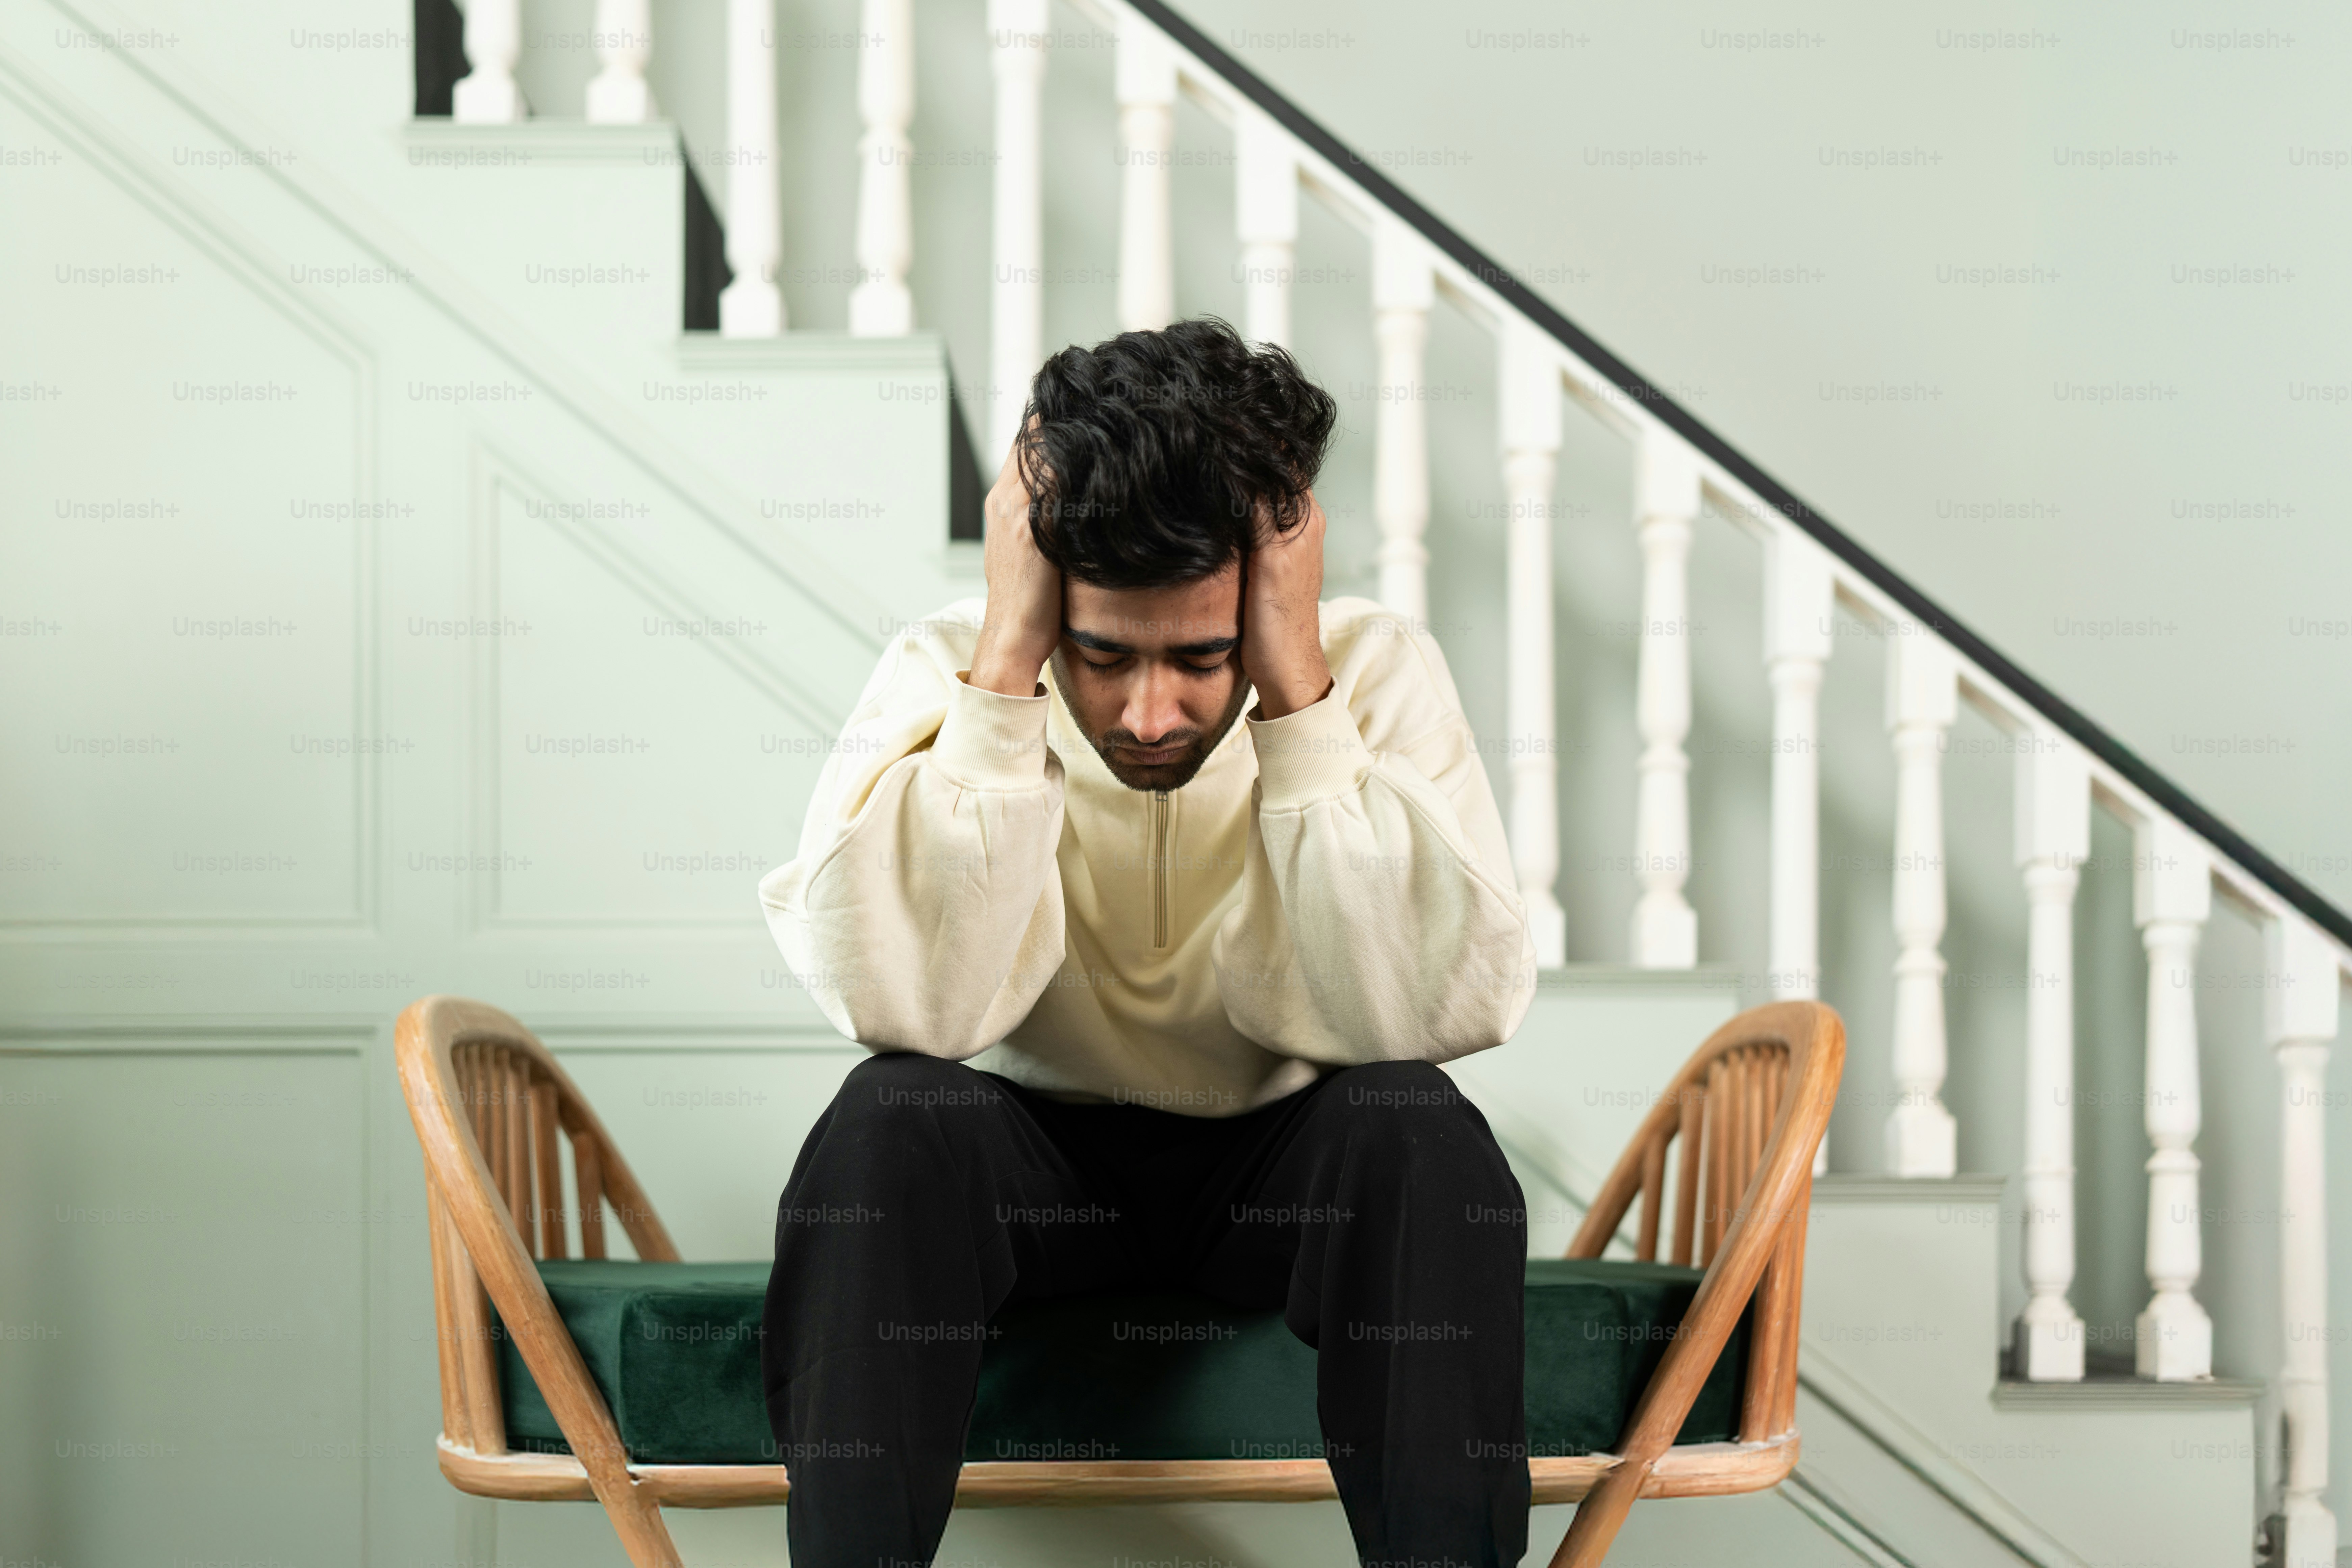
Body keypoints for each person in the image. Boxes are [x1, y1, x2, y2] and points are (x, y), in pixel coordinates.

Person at [757, 317, 1539, 1568]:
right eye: (1103, 654)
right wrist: (1007, 665)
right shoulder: (948, 670)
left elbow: (1431, 1011)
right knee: (886, 1112)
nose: (1149, 712)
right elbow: (904, 1004)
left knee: (1414, 1120)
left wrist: (1294, 694)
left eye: (1201, 657)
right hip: (1035, 1176)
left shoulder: (1374, 673)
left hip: (1282, 1170)